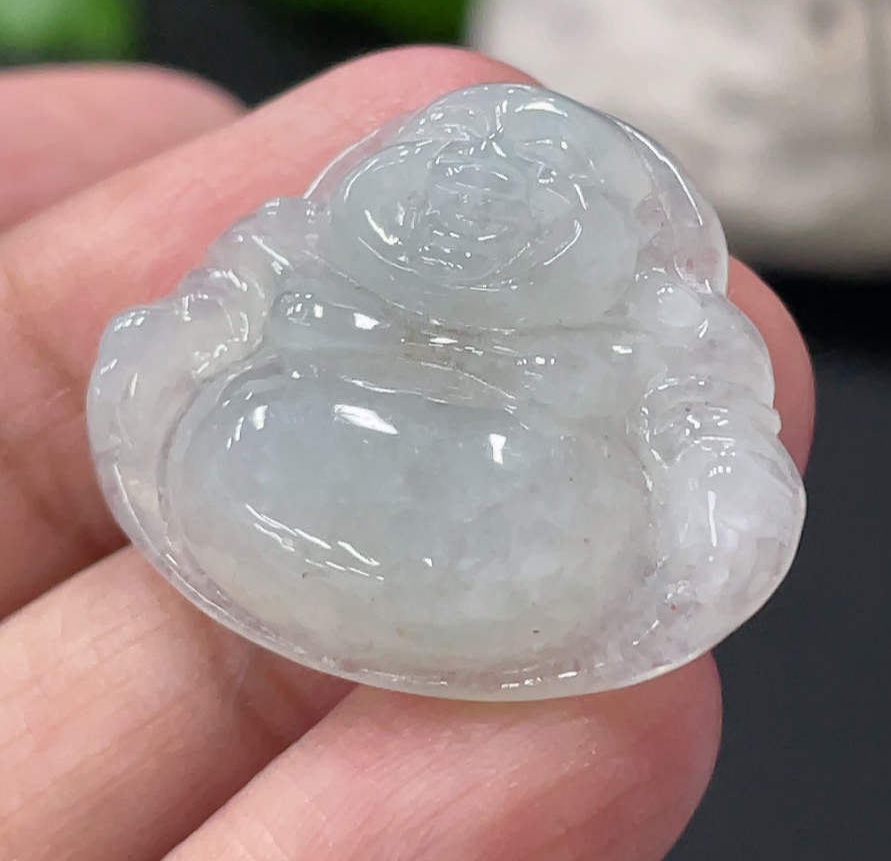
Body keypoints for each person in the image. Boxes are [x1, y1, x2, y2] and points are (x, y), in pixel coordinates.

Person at [0, 47, 814, 861]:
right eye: (447, 158)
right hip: (269, 458)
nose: (475, 188)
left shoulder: (661, 320)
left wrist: (725, 504)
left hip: (523, 509)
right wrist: (162, 355)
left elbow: (714, 422)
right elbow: (199, 316)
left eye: (538, 178)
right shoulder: (294, 245)